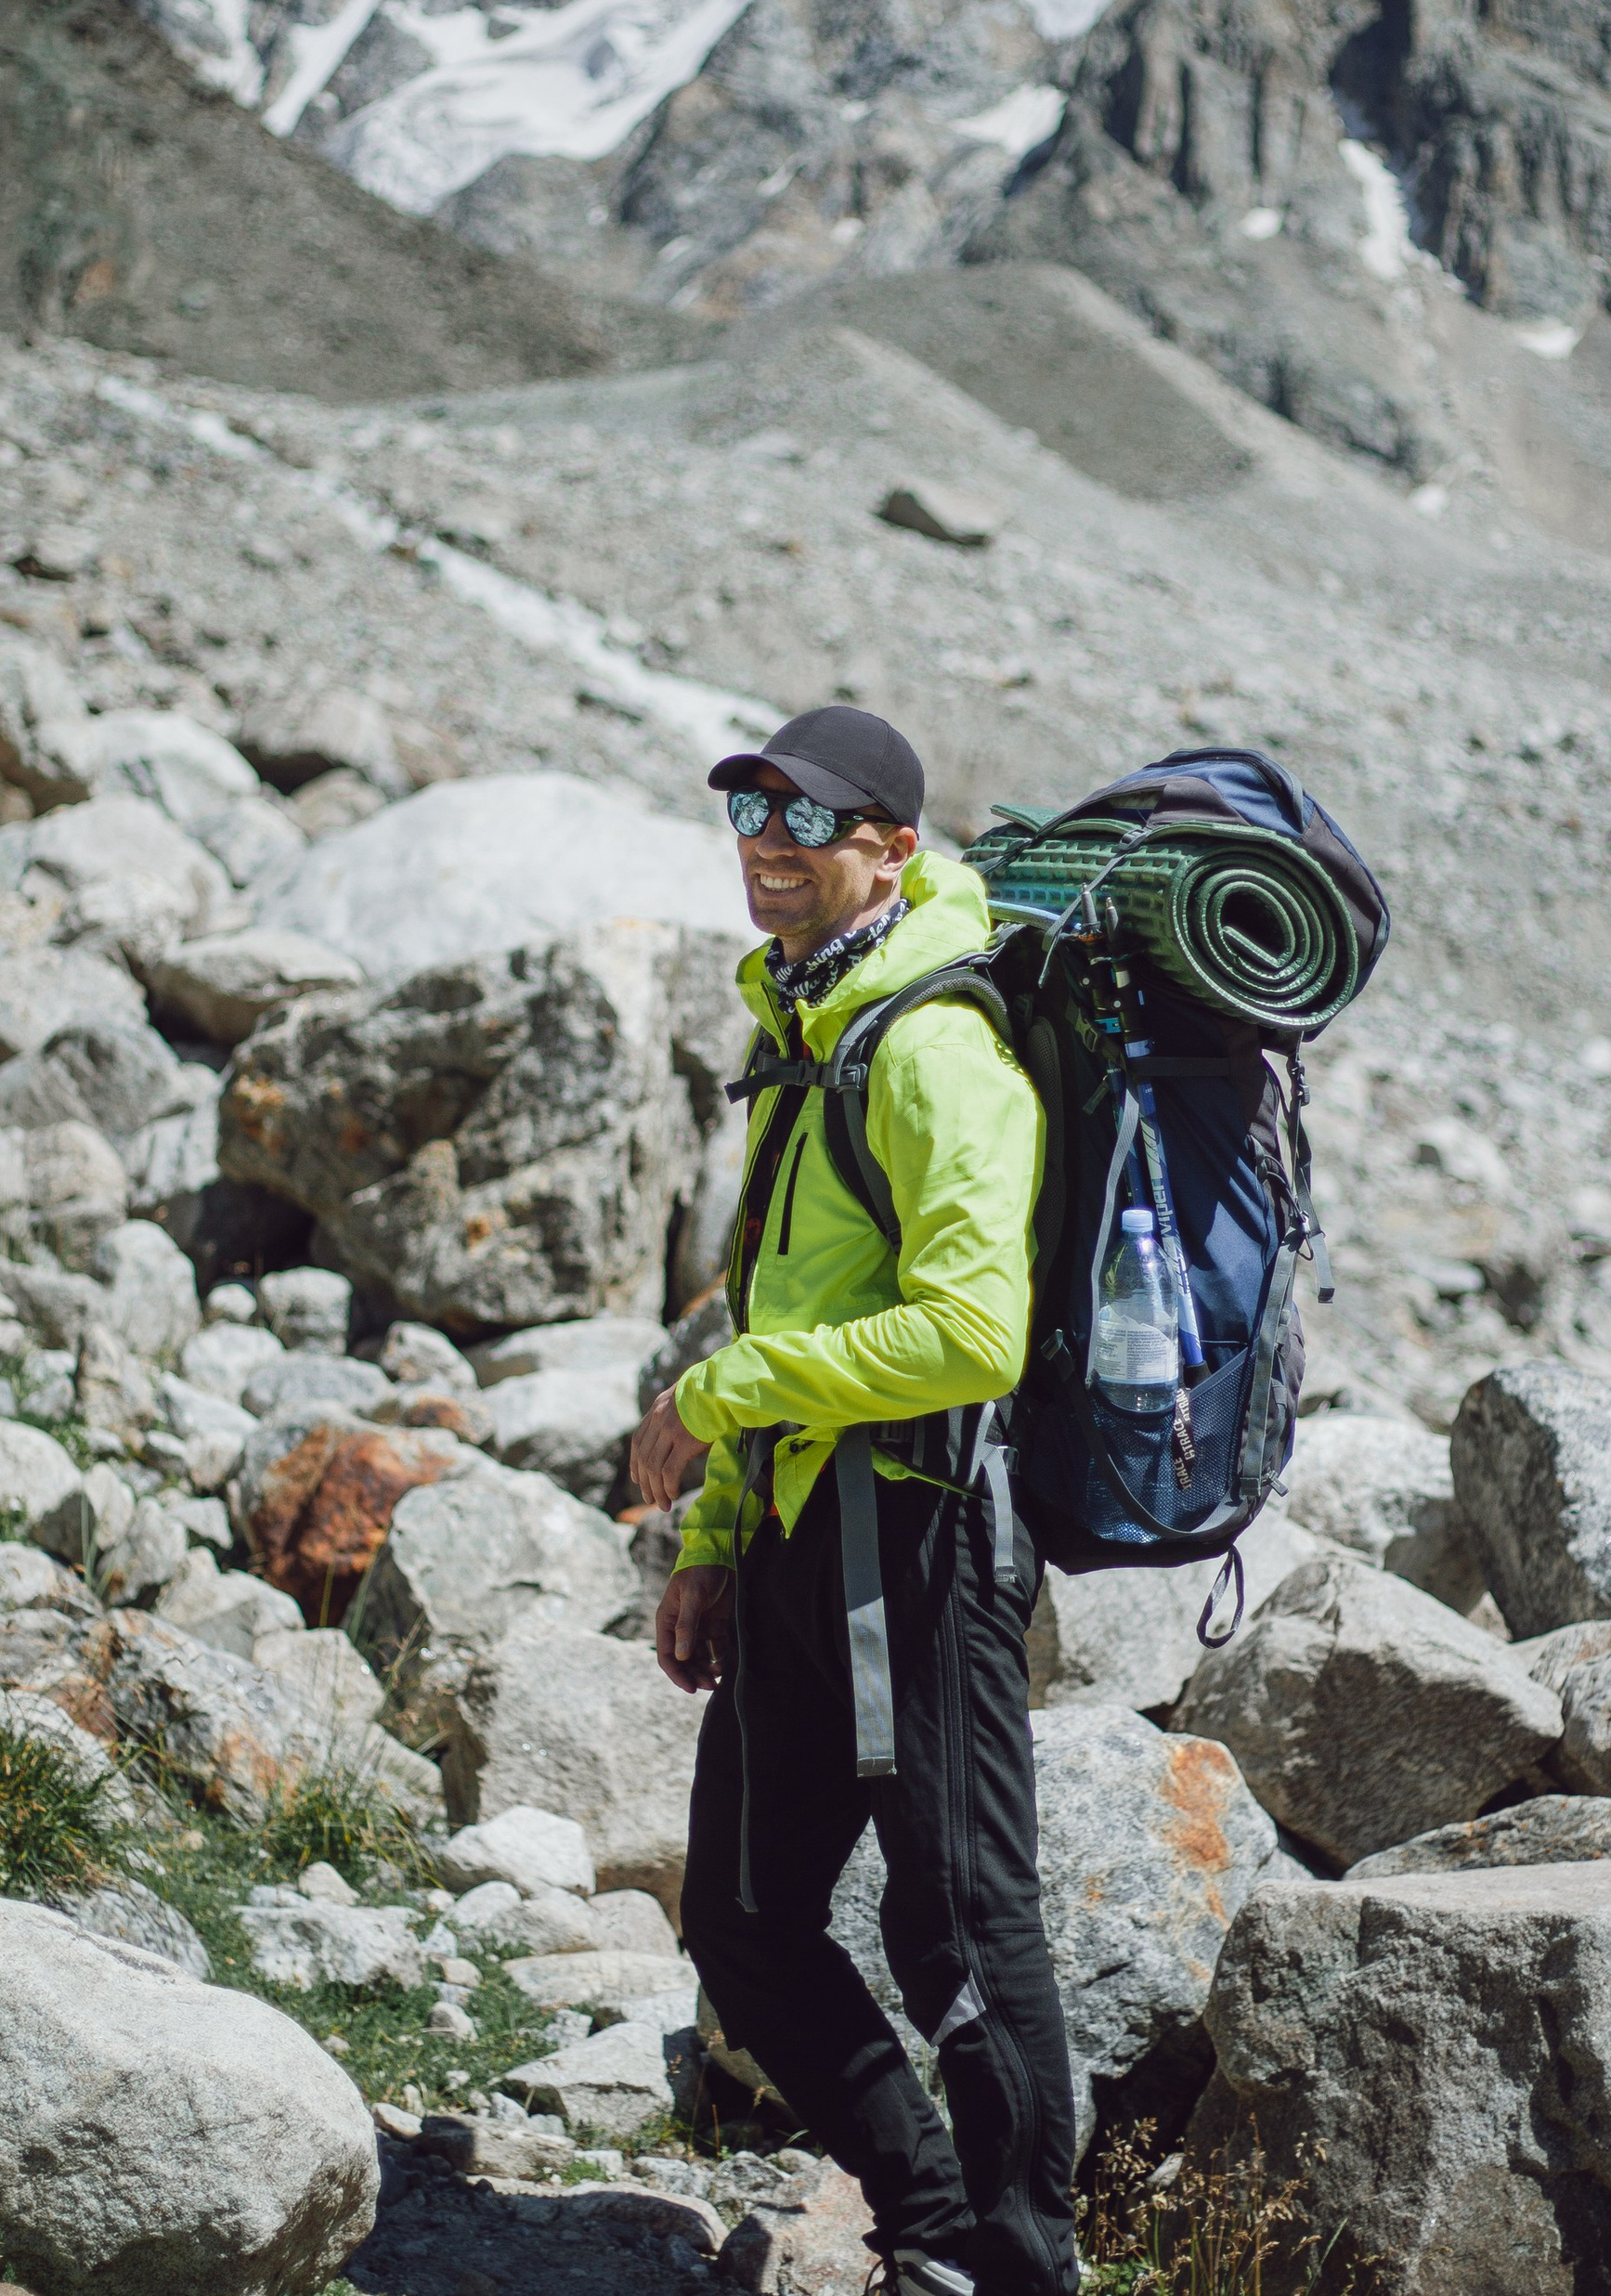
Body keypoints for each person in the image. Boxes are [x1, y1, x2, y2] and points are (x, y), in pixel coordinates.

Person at [630, 706, 1076, 2296]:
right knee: (746, 1921)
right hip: (799, 1542)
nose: (767, 843)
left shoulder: (936, 1046)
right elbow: (787, 1301)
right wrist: (712, 1542)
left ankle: (1021, 2272)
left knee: (955, 1929)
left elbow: (973, 1334)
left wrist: (719, 1399)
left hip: (918, 1541)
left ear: (889, 848)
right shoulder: (808, 1029)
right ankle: (938, 2228)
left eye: (805, 821)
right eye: (749, 809)